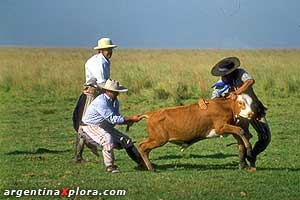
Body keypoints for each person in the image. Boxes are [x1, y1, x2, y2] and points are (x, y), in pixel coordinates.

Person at [198, 57, 271, 169]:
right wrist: (203, 102)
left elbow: (250, 81)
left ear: (232, 72)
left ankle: (252, 156)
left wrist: (236, 92)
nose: (224, 77)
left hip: (254, 109)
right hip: (239, 114)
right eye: (222, 75)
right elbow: (214, 99)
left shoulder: (241, 73)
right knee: (242, 136)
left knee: (265, 137)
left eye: (227, 74)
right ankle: (243, 163)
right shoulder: (221, 83)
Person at [79, 79, 145, 173]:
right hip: (89, 126)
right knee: (107, 139)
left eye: (117, 92)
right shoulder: (101, 101)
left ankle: (142, 163)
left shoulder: (115, 101)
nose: (116, 94)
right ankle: (110, 166)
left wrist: (128, 121)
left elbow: (116, 117)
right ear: (107, 91)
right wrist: (131, 119)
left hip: (103, 126)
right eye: (114, 91)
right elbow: (113, 119)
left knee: (126, 140)